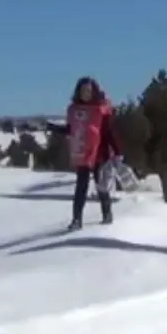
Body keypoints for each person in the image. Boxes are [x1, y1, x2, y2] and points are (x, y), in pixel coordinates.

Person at [48, 77, 121, 231]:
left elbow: (108, 132)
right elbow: (71, 129)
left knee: (101, 185)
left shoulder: (101, 109)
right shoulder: (74, 110)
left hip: (99, 153)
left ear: (94, 91)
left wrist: (117, 151)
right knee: (81, 186)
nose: (85, 94)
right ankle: (76, 220)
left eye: (88, 91)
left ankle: (107, 214)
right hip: (82, 152)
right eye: (83, 91)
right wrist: (53, 128)